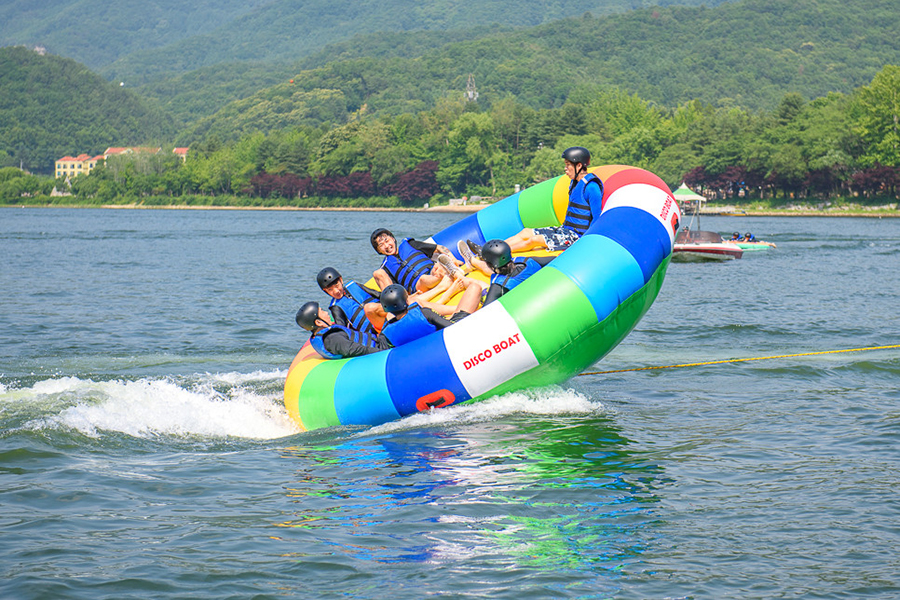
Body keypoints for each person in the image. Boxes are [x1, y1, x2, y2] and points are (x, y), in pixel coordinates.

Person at [466, 147, 603, 256]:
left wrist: (586, 244)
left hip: (576, 237)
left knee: (534, 240)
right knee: (526, 232)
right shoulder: (574, 183)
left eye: (568, 165)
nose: (565, 169)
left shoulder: (591, 187)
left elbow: (597, 219)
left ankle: (492, 255)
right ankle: (486, 250)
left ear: (579, 166)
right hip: (565, 231)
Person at [378, 283, 482, 348]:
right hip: (444, 343)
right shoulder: (424, 314)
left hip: (423, 354)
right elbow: (452, 327)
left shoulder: (386, 335)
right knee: (475, 288)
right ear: (407, 300)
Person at [370, 228, 467, 294]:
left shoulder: (410, 244)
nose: (386, 246)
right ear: (379, 250)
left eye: (387, 240)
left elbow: (439, 248)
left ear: (392, 238)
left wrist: (454, 259)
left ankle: (449, 270)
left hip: (432, 271)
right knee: (424, 279)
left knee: (438, 267)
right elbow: (398, 289)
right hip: (419, 286)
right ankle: (447, 274)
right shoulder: (386, 268)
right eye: (381, 245)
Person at [295, 301, 390, 359]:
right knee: (391, 314)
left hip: (377, 341)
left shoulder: (326, 335)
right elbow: (357, 350)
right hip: (381, 346)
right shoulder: (332, 339)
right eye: (322, 311)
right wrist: (386, 353)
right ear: (318, 322)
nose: (326, 313)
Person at [479, 239, 555, 306]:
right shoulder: (528, 261)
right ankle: (473, 262)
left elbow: (485, 311)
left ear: (490, 265)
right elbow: (556, 259)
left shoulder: (498, 286)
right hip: (545, 295)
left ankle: (472, 261)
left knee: (481, 288)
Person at [316, 266, 385, 334]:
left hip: (384, 315)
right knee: (370, 308)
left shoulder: (354, 286)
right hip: (373, 331)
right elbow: (342, 329)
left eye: (337, 286)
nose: (336, 291)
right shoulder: (336, 307)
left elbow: (378, 295)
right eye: (330, 290)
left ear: (341, 280)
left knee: (380, 274)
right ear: (325, 291)